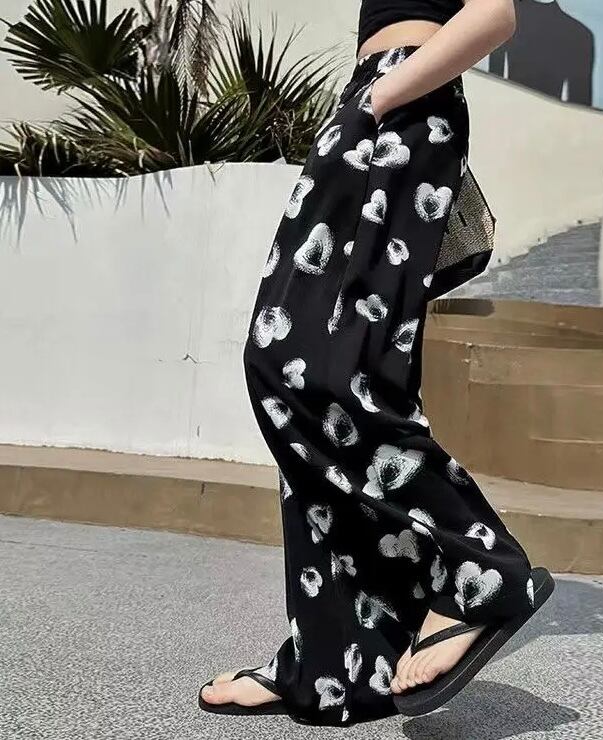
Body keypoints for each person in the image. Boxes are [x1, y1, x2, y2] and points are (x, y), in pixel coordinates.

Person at [198, 0, 553, 727]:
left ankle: (479, 569)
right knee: (291, 371)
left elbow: (493, 14)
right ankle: (334, 663)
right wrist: (368, 99)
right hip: (377, 101)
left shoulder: (394, 94)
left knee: (319, 369)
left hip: (399, 102)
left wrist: (383, 97)